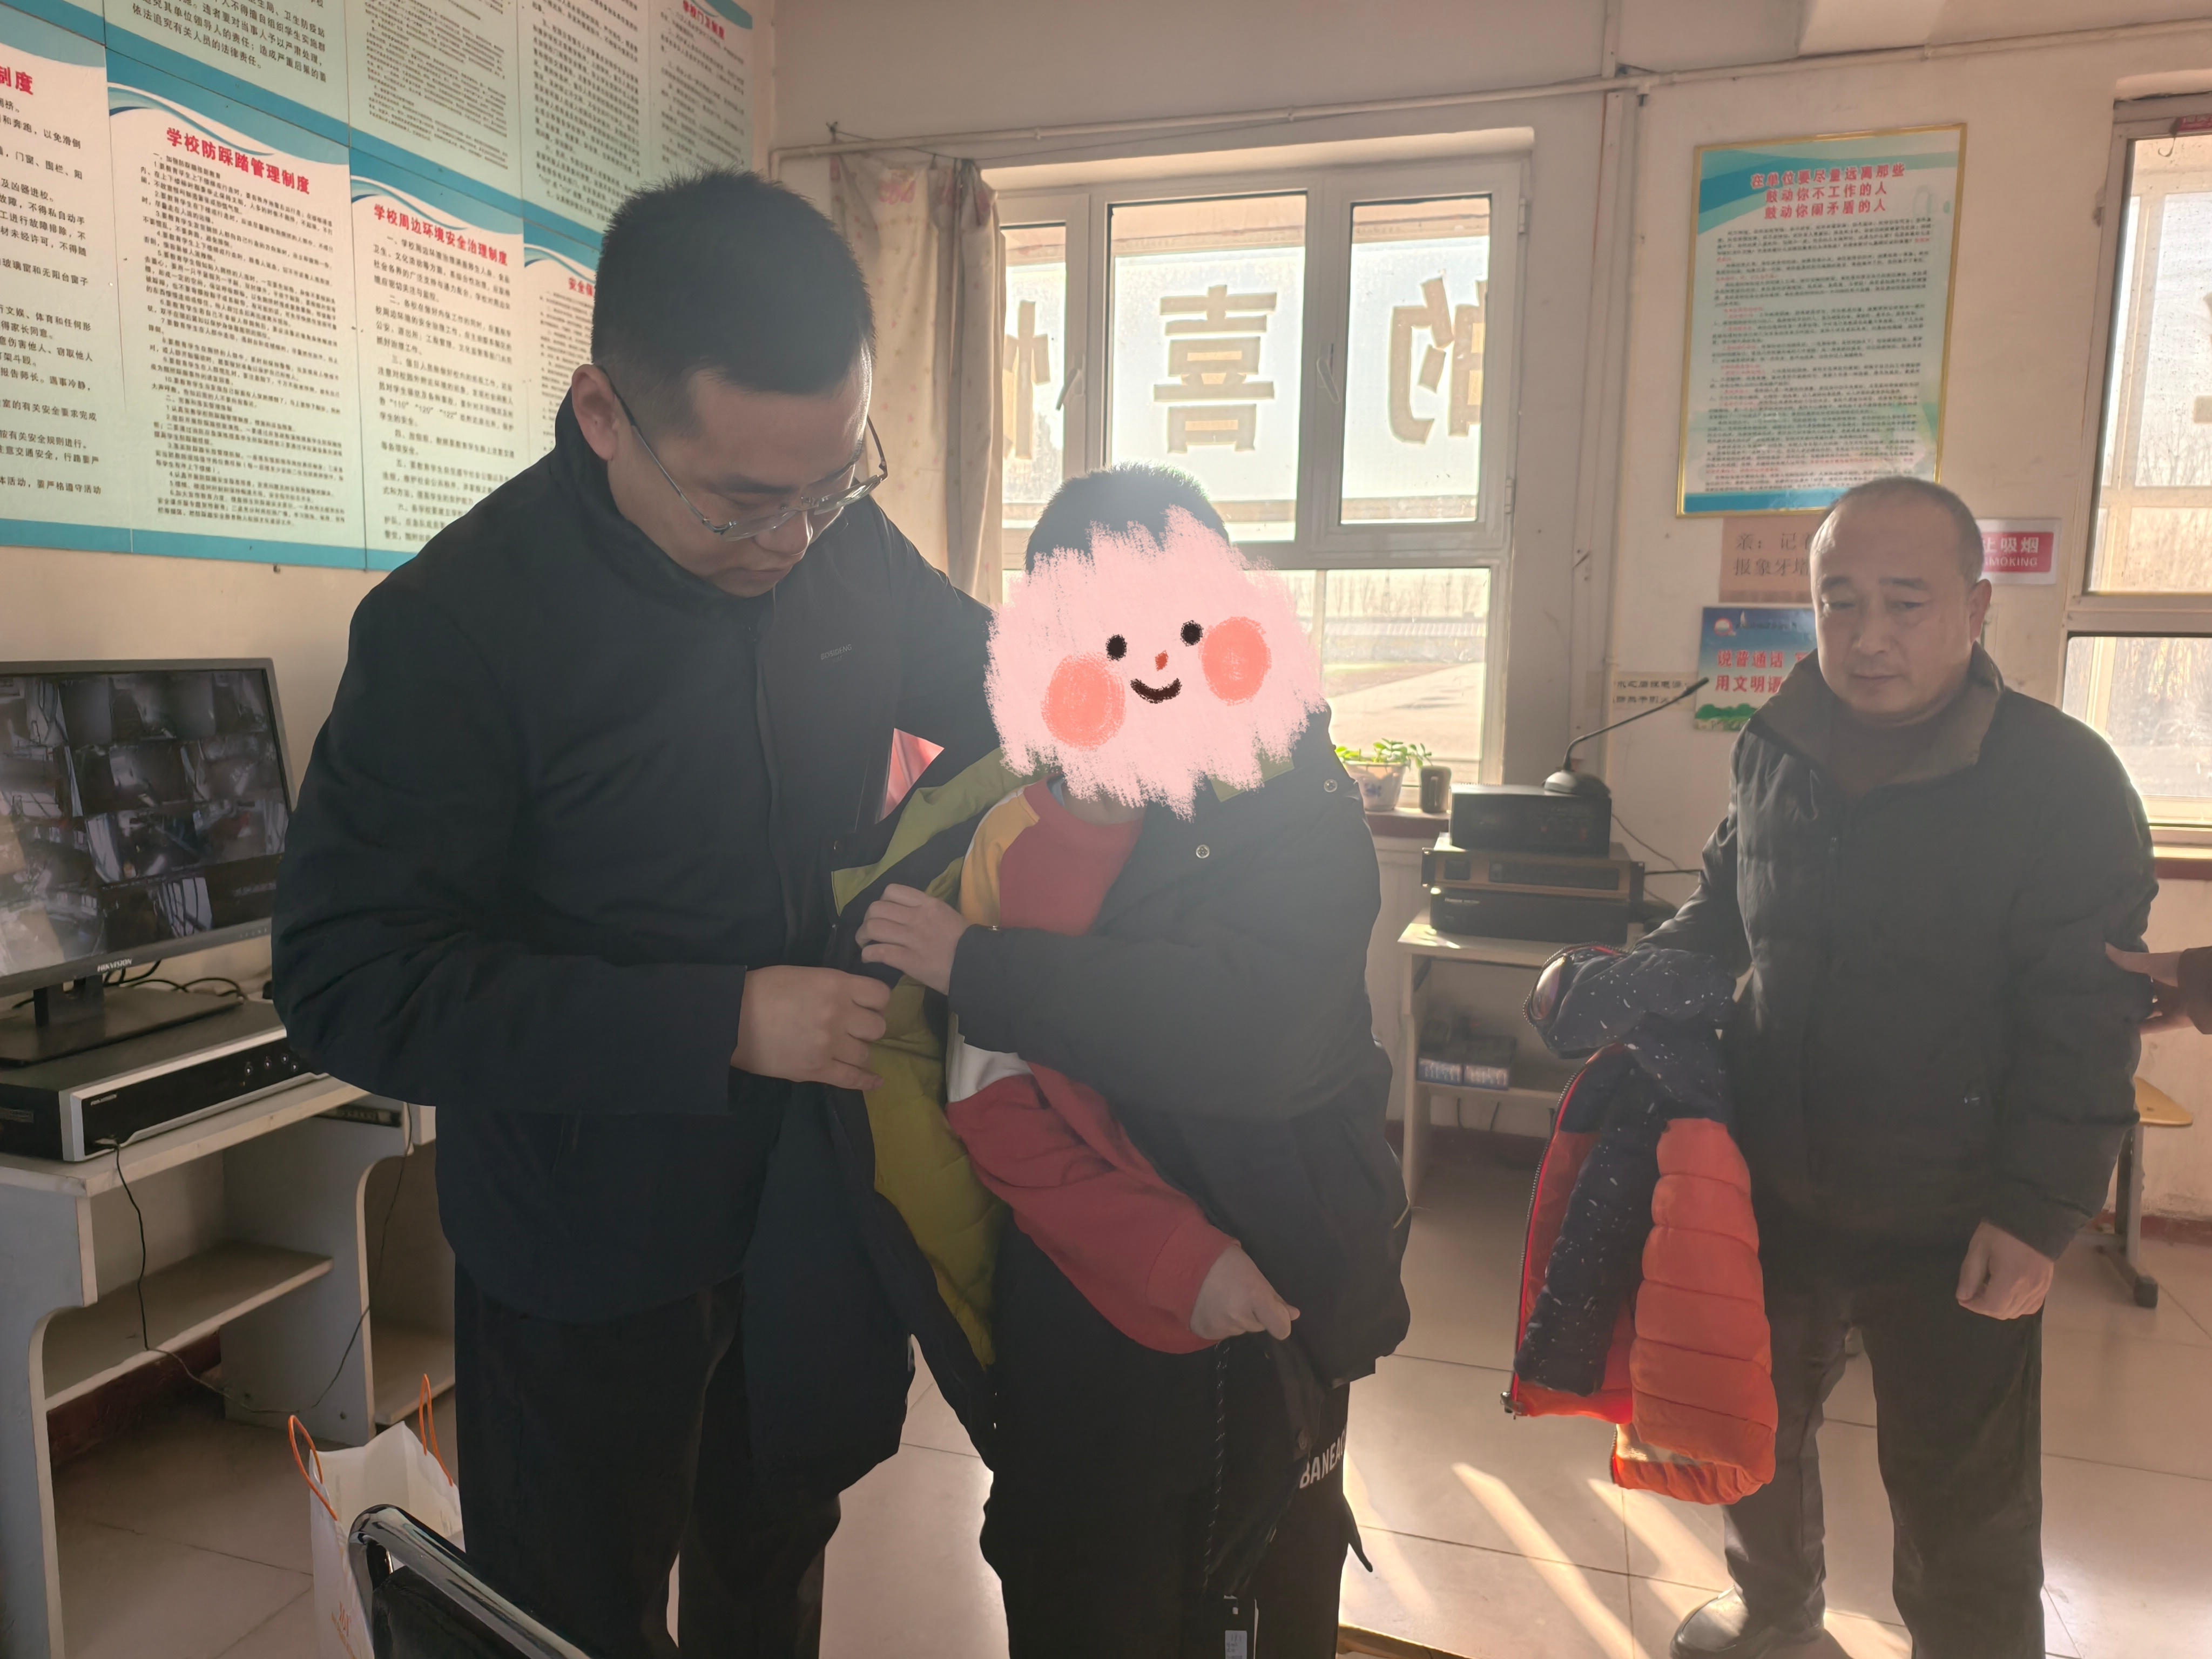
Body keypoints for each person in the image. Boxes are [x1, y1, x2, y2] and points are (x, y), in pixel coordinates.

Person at [271, 171, 994, 1658]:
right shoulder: (458, 629)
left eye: (832, 482)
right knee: (576, 1616)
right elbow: (348, 978)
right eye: (741, 503)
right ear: (604, 412)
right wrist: (722, 1017)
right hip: (583, 1248)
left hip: (808, 1203)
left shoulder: (840, 546)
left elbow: (1013, 689)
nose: (792, 540)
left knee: (770, 1572)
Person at [855, 467, 1411, 1658]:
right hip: (1089, 1312)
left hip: (1284, 1285)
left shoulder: (1300, 806)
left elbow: (1252, 1033)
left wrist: (985, 968)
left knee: (1271, 1597)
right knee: (1086, 1593)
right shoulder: (1013, 835)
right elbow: (990, 1103)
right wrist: (1169, 1255)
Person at [1647, 476, 2155, 1659]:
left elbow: (2086, 1016)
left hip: (1956, 1212)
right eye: (1839, 601)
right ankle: (1774, 1615)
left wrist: (2037, 1214)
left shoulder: (2060, 779)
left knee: (1960, 1495)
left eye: (1905, 602)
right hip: (1776, 1184)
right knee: (1753, 1432)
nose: (1867, 635)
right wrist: (1622, 982)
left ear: (1975, 609)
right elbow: (1724, 912)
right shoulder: (1775, 744)